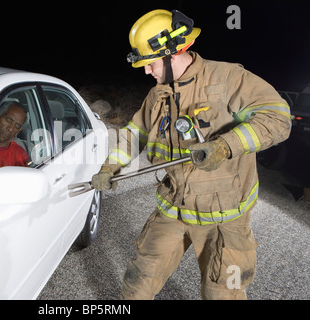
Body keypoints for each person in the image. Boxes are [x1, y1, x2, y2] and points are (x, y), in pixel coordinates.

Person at [92, 9, 291, 299]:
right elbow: (135, 135)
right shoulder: (158, 94)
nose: (147, 71)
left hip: (224, 217)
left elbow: (277, 118)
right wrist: (110, 168)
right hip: (173, 209)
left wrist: (225, 146)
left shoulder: (228, 78)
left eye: (151, 63)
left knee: (223, 293)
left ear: (173, 53)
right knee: (136, 285)